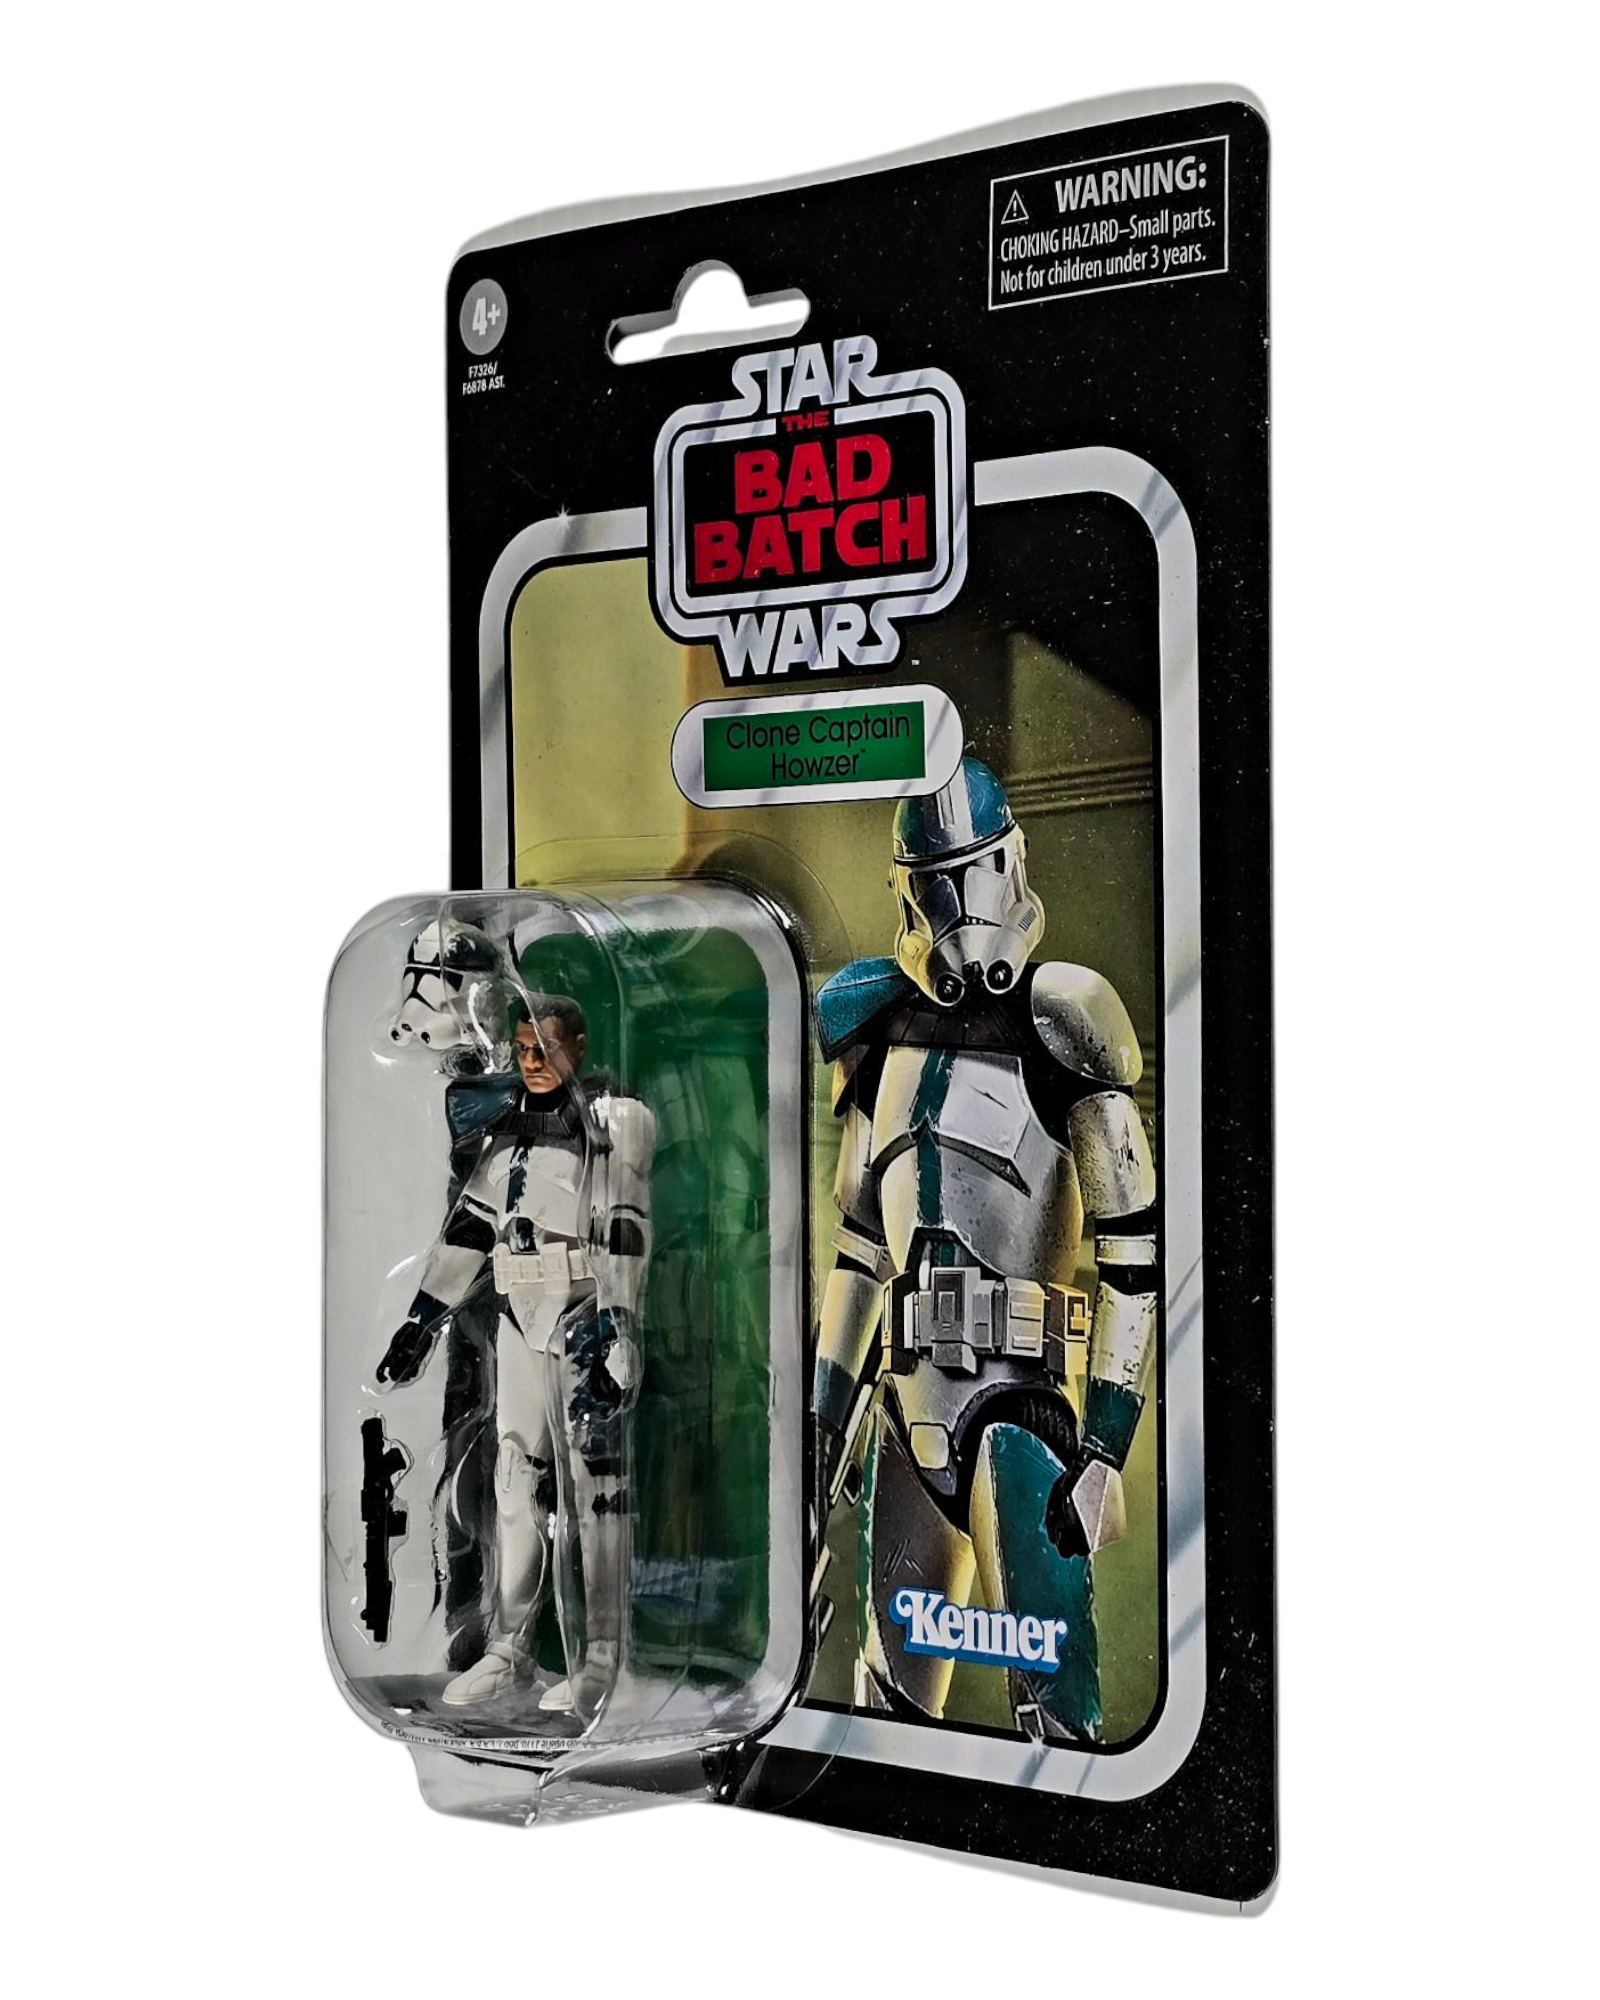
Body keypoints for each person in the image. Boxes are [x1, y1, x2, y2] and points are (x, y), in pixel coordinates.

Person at [813, 756, 1157, 1742]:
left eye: (970, 874)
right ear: (907, 889)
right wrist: (821, 1424)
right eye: (936, 883)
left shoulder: (1065, 1019)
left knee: (1055, 1712)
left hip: (1019, 1408)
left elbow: (1133, 1254)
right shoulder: (873, 1025)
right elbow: (859, 1250)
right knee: (885, 1710)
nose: (957, 908)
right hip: (904, 1410)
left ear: (1008, 864)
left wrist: (1106, 1446)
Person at [378, 994, 654, 1713]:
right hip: (517, 1312)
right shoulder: (504, 1136)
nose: (532, 1061)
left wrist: (620, 1321)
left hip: (583, 1311)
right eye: (524, 1048)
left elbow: (627, 1224)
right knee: (512, 1476)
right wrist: (421, 1322)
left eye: (547, 1048)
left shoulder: (611, 1125)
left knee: (597, 1486)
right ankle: (508, 1650)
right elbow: (469, 1232)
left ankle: (603, 1658)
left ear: (578, 1048)